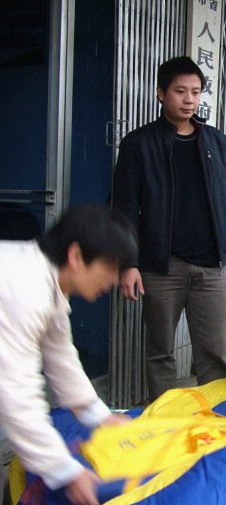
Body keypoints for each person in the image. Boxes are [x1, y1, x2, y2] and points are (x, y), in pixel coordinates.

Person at [113, 56, 226, 400]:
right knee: (160, 353)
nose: (189, 100)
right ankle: (165, 420)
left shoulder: (215, 141)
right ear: (161, 93)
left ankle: (215, 419)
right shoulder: (138, 144)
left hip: (211, 267)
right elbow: (123, 209)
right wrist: (128, 263)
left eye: (196, 92)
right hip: (161, 268)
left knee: (214, 356)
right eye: (180, 91)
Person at [0, 204, 138, 505]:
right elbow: (17, 394)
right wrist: (65, 471)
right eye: (110, 268)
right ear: (76, 256)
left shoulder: (48, 283)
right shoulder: (24, 288)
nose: (113, 281)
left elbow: (62, 360)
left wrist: (101, 417)